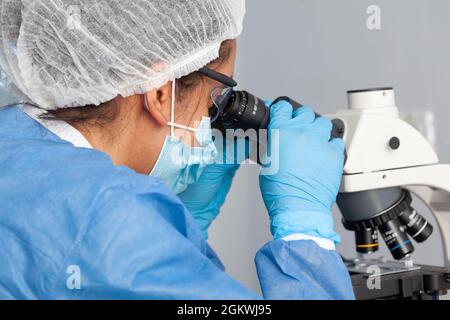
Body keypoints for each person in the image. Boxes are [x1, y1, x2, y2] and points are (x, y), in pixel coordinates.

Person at [0, 0, 354, 299]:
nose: (210, 124)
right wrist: (305, 235)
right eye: (216, 103)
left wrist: (181, 232)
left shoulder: (14, 142)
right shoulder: (112, 218)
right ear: (159, 93)